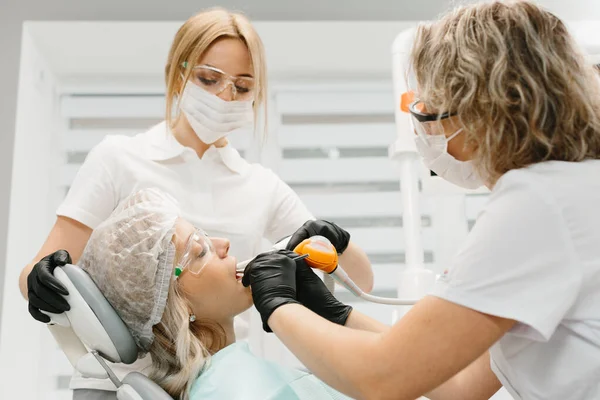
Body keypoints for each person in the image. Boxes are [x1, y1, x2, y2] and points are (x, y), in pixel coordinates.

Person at [243, 2, 600, 400]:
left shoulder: (538, 204)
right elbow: (464, 383)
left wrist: (277, 305)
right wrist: (333, 313)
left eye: (429, 105)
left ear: (482, 107)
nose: (423, 119)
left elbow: (383, 379)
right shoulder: (572, 188)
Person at [19, 7, 373, 399]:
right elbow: (43, 269)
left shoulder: (260, 186)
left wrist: (334, 240)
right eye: (209, 78)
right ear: (178, 71)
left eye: (242, 87)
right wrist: (43, 278)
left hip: (224, 371)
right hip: (153, 379)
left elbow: (360, 282)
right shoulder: (119, 159)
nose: (225, 96)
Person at [78, 187, 353, 400]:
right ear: (178, 305)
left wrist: (333, 318)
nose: (224, 244)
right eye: (201, 251)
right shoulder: (240, 388)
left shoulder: (228, 381)